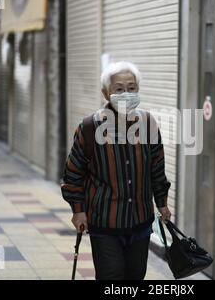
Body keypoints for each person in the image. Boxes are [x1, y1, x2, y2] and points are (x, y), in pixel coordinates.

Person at [61, 61, 172, 280]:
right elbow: (73, 174)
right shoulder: (90, 127)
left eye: (131, 88)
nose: (126, 93)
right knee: (111, 276)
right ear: (106, 92)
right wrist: (78, 210)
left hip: (140, 222)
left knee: (135, 275)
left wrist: (162, 204)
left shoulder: (148, 124)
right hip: (104, 223)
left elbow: (157, 169)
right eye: (119, 89)